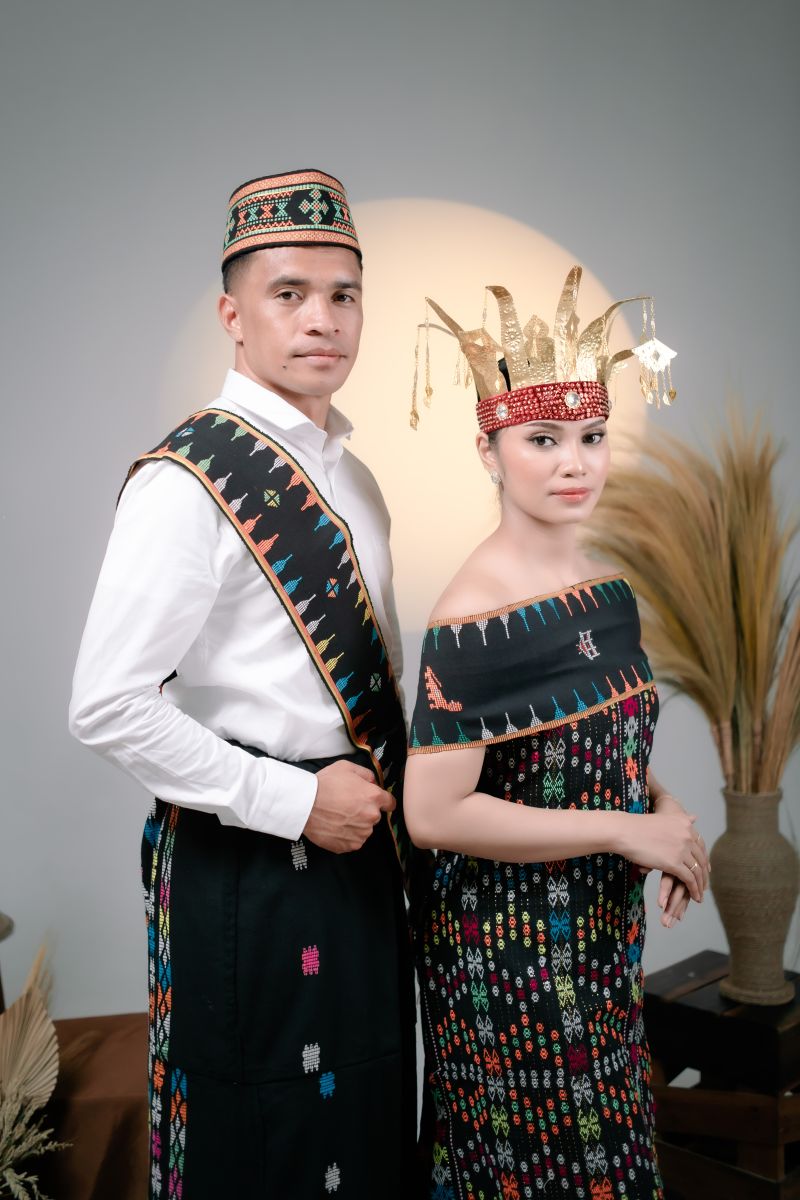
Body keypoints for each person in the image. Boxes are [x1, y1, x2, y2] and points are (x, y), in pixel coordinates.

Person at [69, 169, 417, 1198]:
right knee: (259, 1139)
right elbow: (106, 704)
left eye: (343, 295)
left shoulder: (356, 478)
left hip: (360, 849)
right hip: (251, 859)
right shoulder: (185, 482)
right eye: (288, 293)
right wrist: (296, 802)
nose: (321, 319)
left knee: (365, 1124)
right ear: (232, 314)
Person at [403, 268, 708, 1200]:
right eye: (543, 440)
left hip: (600, 944)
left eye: (591, 437)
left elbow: (608, 751)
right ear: (490, 452)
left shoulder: (608, 590)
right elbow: (432, 814)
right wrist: (627, 831)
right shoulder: (471, 616)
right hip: (508, 958)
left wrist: (665, 814)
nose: (575, 463)